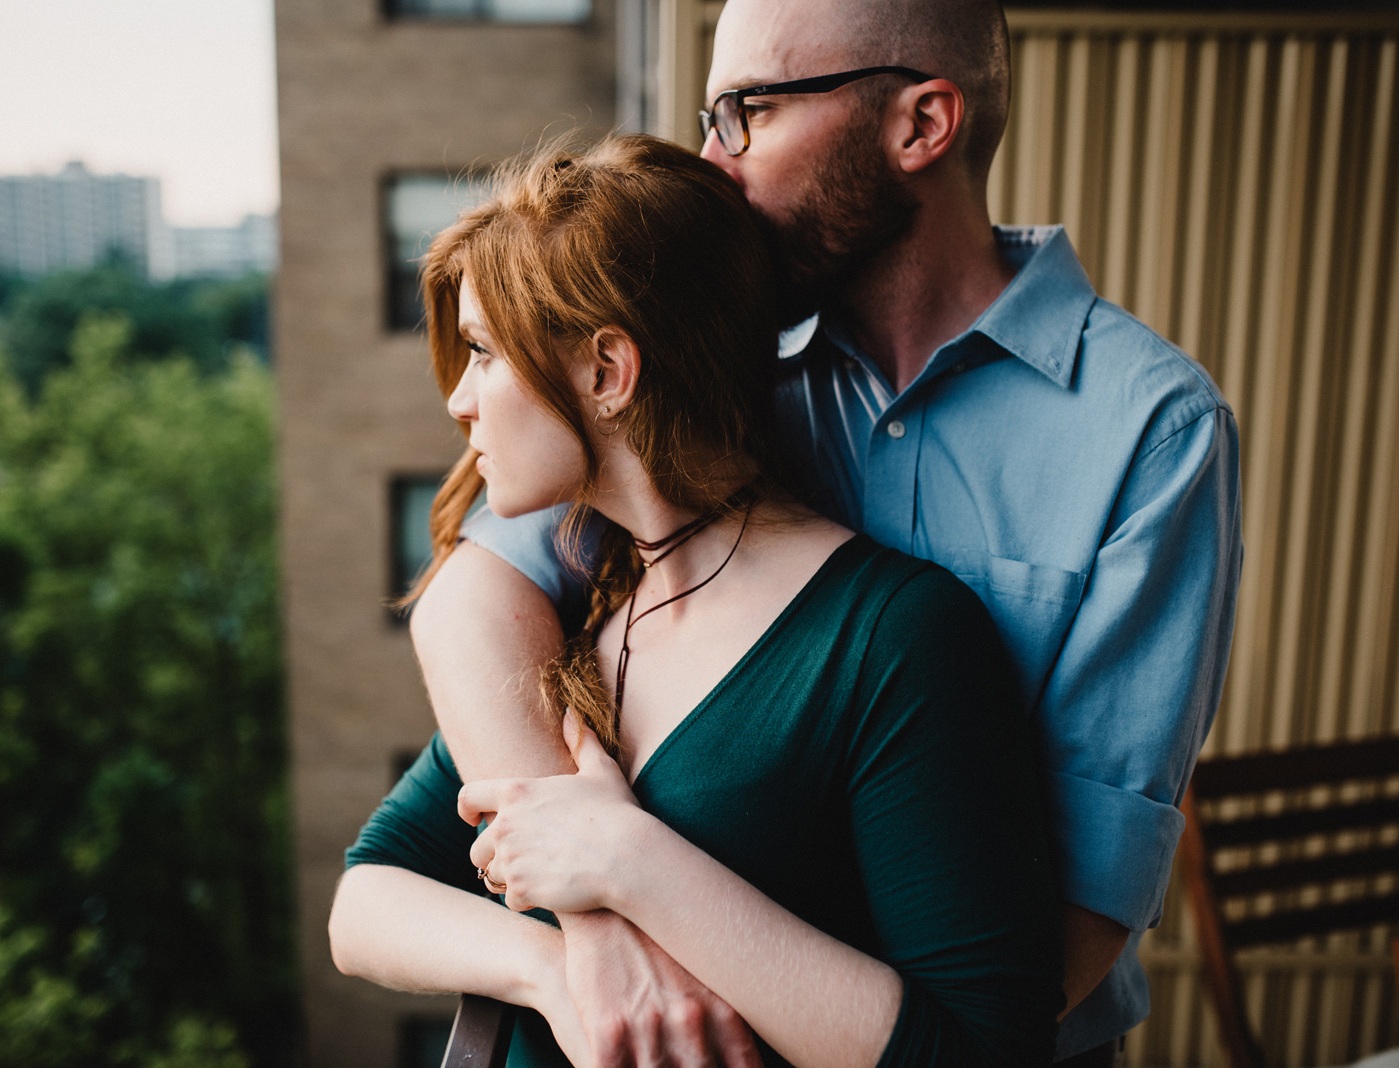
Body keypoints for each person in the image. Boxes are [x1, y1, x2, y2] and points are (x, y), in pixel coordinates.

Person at [408, 0, 1244, 1064]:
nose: (711, 161)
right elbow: (473, 598)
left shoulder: (1151, 432)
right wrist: (600, 931)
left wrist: (717, 967)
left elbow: (1074, 917)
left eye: (745, 112)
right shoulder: (715, 370)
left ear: (920, 125)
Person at [330, 135, 1063, 1068]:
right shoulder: (585, 609)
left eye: (484, 352)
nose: (459, 402)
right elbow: (365, 901)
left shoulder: (897, 640)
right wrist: (559, 967)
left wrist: (631, 862)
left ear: (606, 371)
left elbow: (986, 1050)